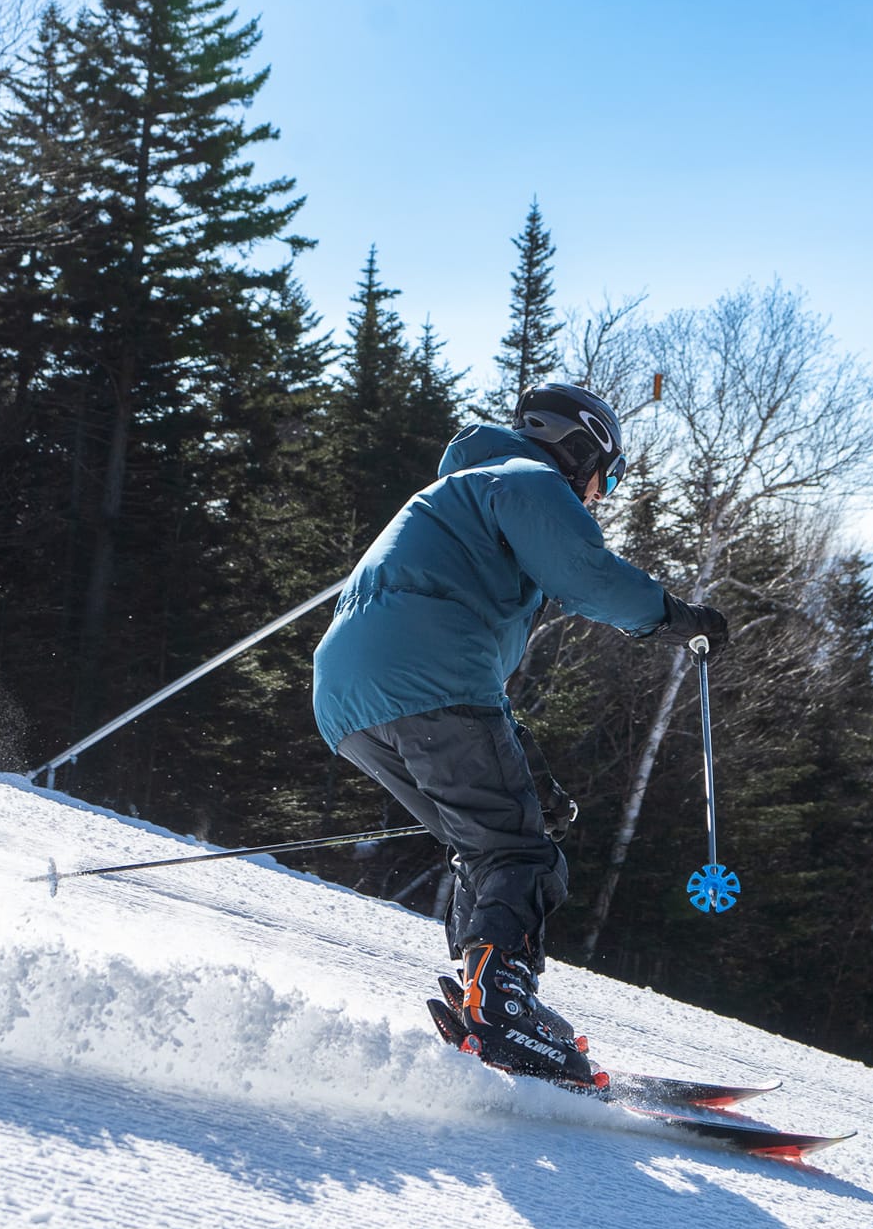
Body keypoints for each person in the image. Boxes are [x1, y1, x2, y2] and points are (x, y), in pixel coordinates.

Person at [312, 382, 727, 1083]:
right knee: (519, 853)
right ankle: (501, 1006)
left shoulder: (466, 488)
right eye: (610, 473)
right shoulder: (529, 479)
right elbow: (584, 573)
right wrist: (674, 616)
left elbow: (462, 671)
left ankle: (487, 992)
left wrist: (528, 768)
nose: (605, 491)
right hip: (426, 675)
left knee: (487, 845)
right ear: (580, 449)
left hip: (347, 700)